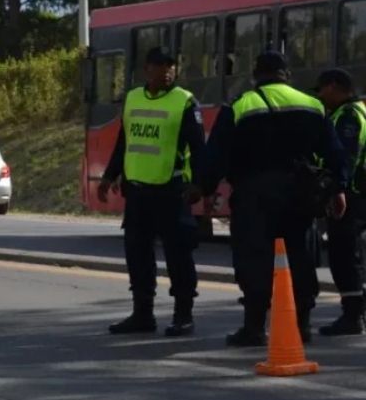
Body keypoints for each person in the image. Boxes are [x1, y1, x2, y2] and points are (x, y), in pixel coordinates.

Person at [203, 51, 348, 347]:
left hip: (253, 194)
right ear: (287, 75)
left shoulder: (240, 105)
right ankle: (302, 324)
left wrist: (206, 190)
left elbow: (215, 154)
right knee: (301, 256)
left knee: (254, 257)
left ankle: (254, 327)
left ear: (256, 76)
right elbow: (335, 154)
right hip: (300, 193)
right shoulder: (312, 105)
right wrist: (339, 188)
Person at [98, 46, 206, 337]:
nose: (168, 71)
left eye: (172, 66)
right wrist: (109, 177)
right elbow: (124, 142)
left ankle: (183, 315)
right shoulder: (133, 98)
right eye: (161, 66)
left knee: (179, 255)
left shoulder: (184, 102)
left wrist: (200, 185)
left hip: (171, 192)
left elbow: (198, 148)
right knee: (137, 254)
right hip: (137, 193)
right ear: (147, 69)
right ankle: (142, 313)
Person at [315, 68, 366, 336]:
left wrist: (338, 190)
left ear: (335, 87)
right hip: (358, 193)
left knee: (344, 255)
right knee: (351, 253)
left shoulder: (348, 116)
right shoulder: (357, 111)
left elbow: (347, 157)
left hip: (352, 196)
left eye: (322, 89)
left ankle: (352, 315)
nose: (320, 96)